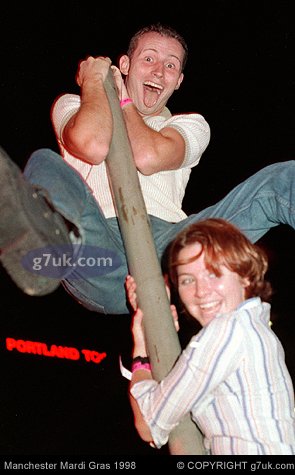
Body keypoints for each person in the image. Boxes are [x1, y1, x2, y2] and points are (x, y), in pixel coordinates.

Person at [0, 23, 294, 315]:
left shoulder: (188, 125)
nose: (158, 71)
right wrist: (93, 82)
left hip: (171, 250)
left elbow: (147, 156)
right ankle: (45, 250)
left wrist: (124, 100)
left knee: (282, 179)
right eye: (149, 59)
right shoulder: (73, 105)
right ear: (125, 64)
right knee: (45, 162)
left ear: (178, 80)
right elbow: (92, 144)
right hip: (99, 251)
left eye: (170, 65)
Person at [126, 218, 295, 455]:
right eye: (187, 280)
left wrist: (141, 352)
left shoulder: (229, 331)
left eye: (213, 274)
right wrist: (156, 317)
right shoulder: (250, 329)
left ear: (245, 276)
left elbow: (148, 424)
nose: (201, 291)